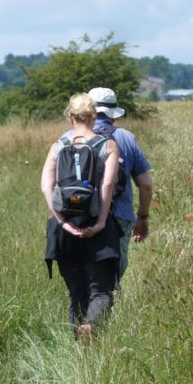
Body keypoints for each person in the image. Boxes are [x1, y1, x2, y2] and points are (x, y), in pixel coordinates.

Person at [42, 93, 121, 339]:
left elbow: (46, 187)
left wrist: (63, 222)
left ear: (70, 117)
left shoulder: (57, 146)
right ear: (94, 116)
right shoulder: (107, 145)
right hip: (98, 229)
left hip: (64, 232)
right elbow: (107, 186)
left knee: (76, 293)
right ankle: (93, 328)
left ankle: (78, 344)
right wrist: (99, 222)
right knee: (101, 292)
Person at [87, 87, 153, 284]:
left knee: (81, 280)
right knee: (111, 280)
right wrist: (142, 218)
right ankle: (106, 307)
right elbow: (146, 185)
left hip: (79, 216)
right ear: (113, 115)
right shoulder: (125, 137)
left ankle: (84, 310)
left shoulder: (70, 137)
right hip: (118, 217)